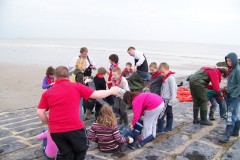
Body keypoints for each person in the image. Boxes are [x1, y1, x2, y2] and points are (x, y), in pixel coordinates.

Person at [36, 66, 120, 160]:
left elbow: (40, 112)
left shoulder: (47, 93)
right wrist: (111, 91)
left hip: (56, 132)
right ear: (68, 76)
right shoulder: (77, 86)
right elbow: (97, 94)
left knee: (65, 153)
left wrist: (50, 123)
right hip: (75, 129)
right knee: (81, 149)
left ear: (55, 77)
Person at [220, 52, 240, 142]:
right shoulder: (231, 69)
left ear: (234, 60)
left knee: (230, 115)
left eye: (230, 61)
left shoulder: (238, 70)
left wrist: (233, 95)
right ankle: (235, 131)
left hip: (234, 96)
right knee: (233, 113)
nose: (228, 62)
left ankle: (226, 136)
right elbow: (231, 82)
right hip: (229, 94)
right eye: (227, 61)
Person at [156, 62, 177, 133]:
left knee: (161, 114)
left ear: (167, 69)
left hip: (167, 100)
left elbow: (173, 91)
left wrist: (171, 102)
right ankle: (169, 127)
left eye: (163, 72)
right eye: (161, 73)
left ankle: (160, 128)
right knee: (169, 114)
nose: (161, 74)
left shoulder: (170, 78)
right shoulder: (165, 77)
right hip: (164, 99)